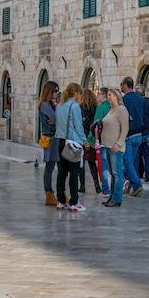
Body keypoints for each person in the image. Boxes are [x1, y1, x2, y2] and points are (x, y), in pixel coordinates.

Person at [53, 83, 86, 212]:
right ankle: (74, 202)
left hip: (61, 141)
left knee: (62, 172)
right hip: (73, 143)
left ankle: (60, 201)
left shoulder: (59, 106)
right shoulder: (75, 106)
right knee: (74, 173)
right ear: (76, 93)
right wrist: (84, 141)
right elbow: (78, 126)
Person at [100, 89, 128, 208]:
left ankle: (117, 199)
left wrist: (119, 143)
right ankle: (112, 197)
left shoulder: (121, 110)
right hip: (107, 145)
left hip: (115, 147)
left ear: (117, 96)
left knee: (117, 173)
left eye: (110, 95)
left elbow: (125, 128)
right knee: (112, 173)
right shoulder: (111, 110)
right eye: (107, 95)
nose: (108, 97)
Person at [120, 77, 146, 197]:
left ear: (126, 85)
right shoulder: (140, 99)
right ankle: (129, 185)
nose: (120, 87)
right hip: (139, 134)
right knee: (130, 162)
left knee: (127, 162)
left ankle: (137, 185)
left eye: (121, 85)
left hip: (129, 135)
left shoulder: (124, 99)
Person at [37, 80, 60, 206]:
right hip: (50, 140)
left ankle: (59, 193)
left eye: (57, 90)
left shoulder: (52, 103)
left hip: (56, 139)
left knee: (60, 167)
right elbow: (57, 118)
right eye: (55, 91)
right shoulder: (44, 105)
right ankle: (49, 195)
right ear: (49, 91)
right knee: (50, 167)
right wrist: (56, 114)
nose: (57, 93)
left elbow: (57, 119)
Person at [78, 89, 101, 195]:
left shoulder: (79, 108)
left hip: (82, 138)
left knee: (81, 163)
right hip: (91, 138)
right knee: (92, 163)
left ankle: (82, 185)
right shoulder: (96, 108)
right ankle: (96, 185)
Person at [135, 84, 149, 183]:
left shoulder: (135, 103)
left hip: (138, 133)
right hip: (148, 133)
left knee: (136, 155)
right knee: (147, 157)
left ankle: (137, 175)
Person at [92, 87, 111, 199]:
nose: (97, 95)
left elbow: (95, 125)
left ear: (103, 95)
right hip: (112, 140)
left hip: (103, 139)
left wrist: (90, 140)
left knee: (103, 166)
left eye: (98, 93)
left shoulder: (101, 107)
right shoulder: (112, 106)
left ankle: (106, 190)